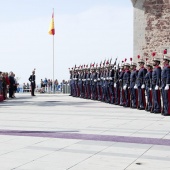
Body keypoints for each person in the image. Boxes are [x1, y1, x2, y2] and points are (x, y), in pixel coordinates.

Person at [161, 52, 170, 116]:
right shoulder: (164, 68)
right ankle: (165, 109)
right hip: (163, 84)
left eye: (164, 60)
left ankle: (167, 111)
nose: (163, 62)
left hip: (166, 84)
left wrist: (167, 84)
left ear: (167, 61)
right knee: (164, 98)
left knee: (167, 98)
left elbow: (168, 76)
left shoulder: (168, 68)